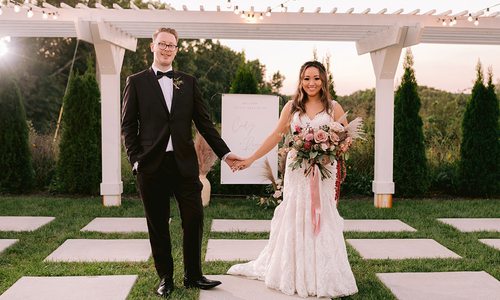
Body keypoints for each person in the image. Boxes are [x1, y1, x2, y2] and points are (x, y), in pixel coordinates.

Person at [121, 27, 240, 298]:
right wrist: (135, 160)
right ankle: (165, 277)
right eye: (161, 44)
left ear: (176, 49)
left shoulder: (189, 82)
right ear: (152, 47)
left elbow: (205, 124)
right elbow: (128, 125)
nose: (166, 49)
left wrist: (225, 154)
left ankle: (193, 274)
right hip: (151, 165)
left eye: (171, 45)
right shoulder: (136, 81)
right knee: (158, 223)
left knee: (194, 217)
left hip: (185, 164)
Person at [228, 61, 358, 298]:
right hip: (297, 171)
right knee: (297, 213)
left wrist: (329, 151)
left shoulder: (334, 108)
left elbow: (347, 139)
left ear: (324, 81)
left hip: (324, 171)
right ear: (300, 80)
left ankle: (324, 275)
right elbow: (275, 136)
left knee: (322, 215)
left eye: (316, 78)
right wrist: (250, 159)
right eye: (306, 78)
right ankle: (294, 272)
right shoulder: (291, 107)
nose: (311, 83)